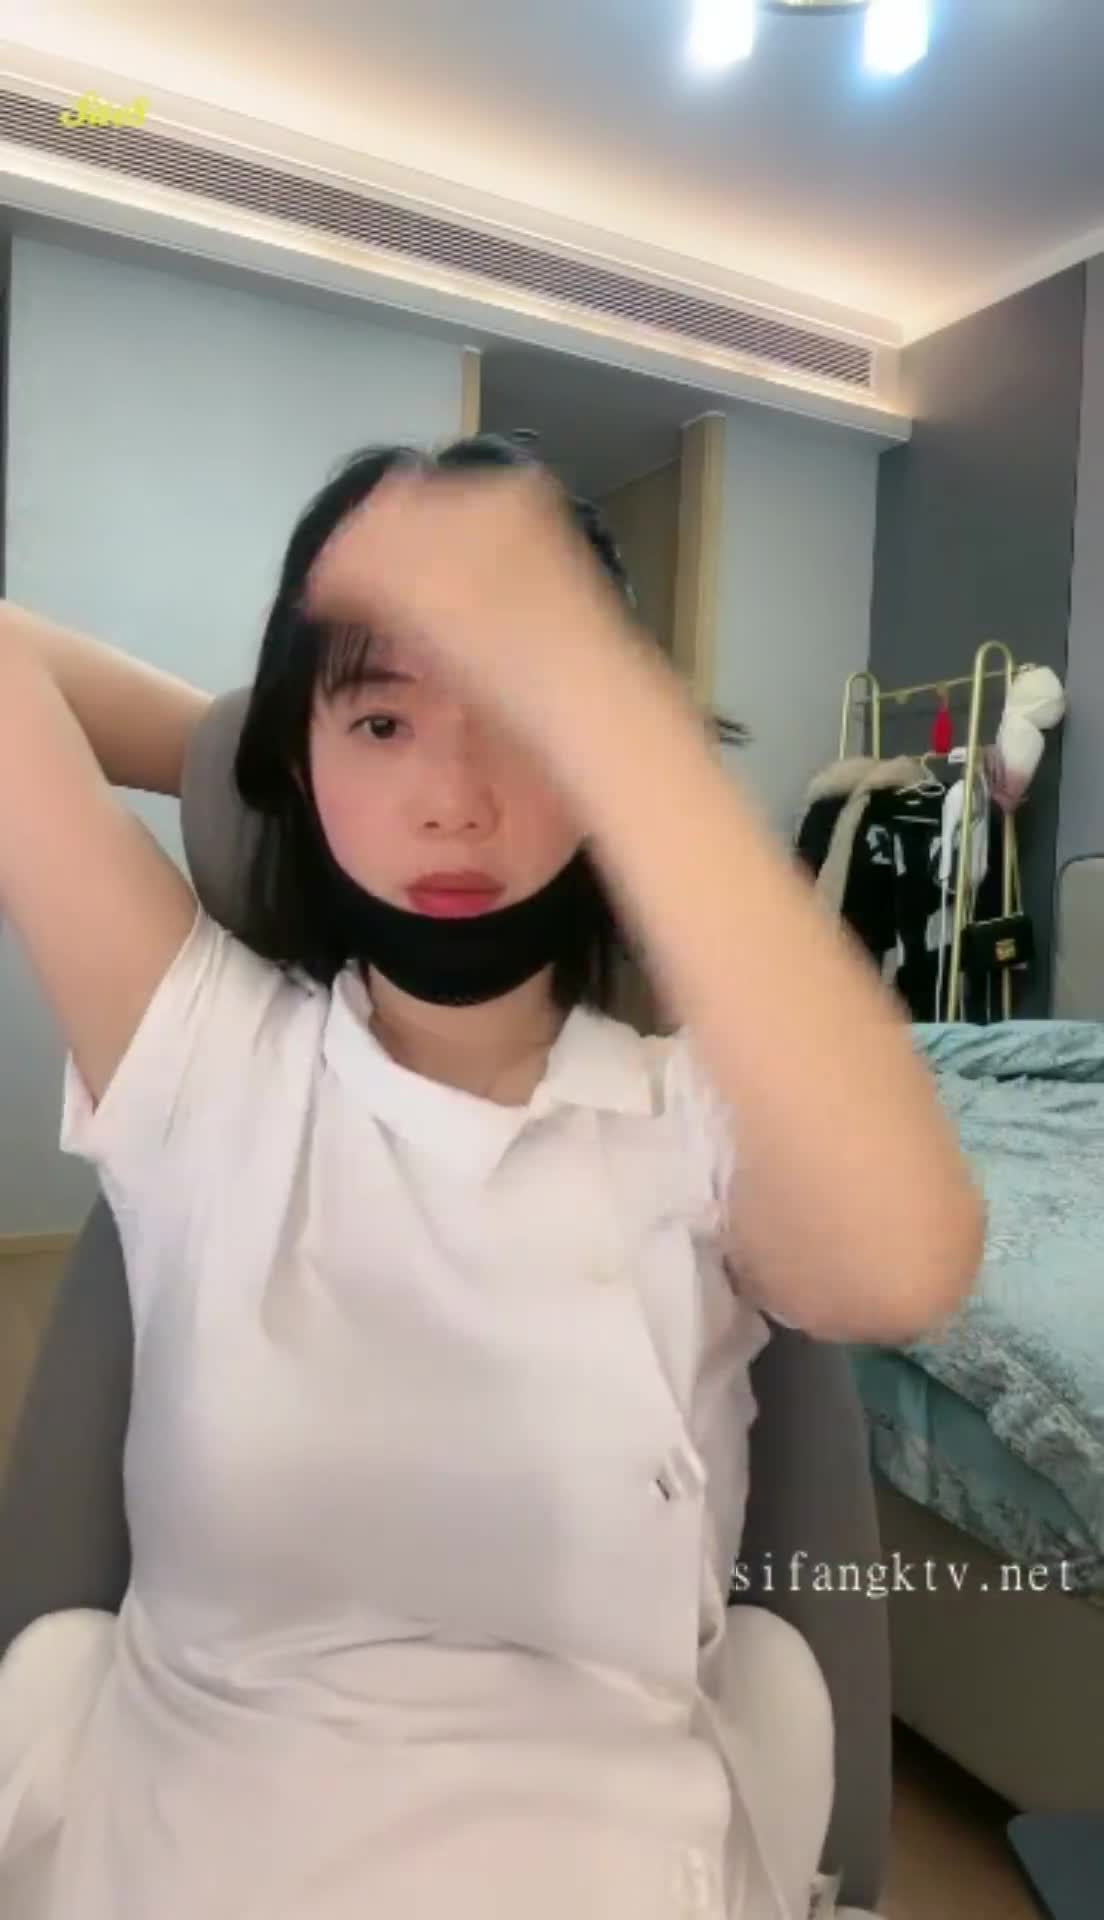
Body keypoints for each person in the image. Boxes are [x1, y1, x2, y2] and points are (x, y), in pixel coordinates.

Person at [0, 434, 983, 1920]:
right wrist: (255, 748)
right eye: (382, 723)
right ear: (300, 759)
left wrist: (592, 696)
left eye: (521, 719)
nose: (454, 799)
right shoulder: (202, 1059)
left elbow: (904, 1262)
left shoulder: (697, 1120)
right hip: (190, 1841)